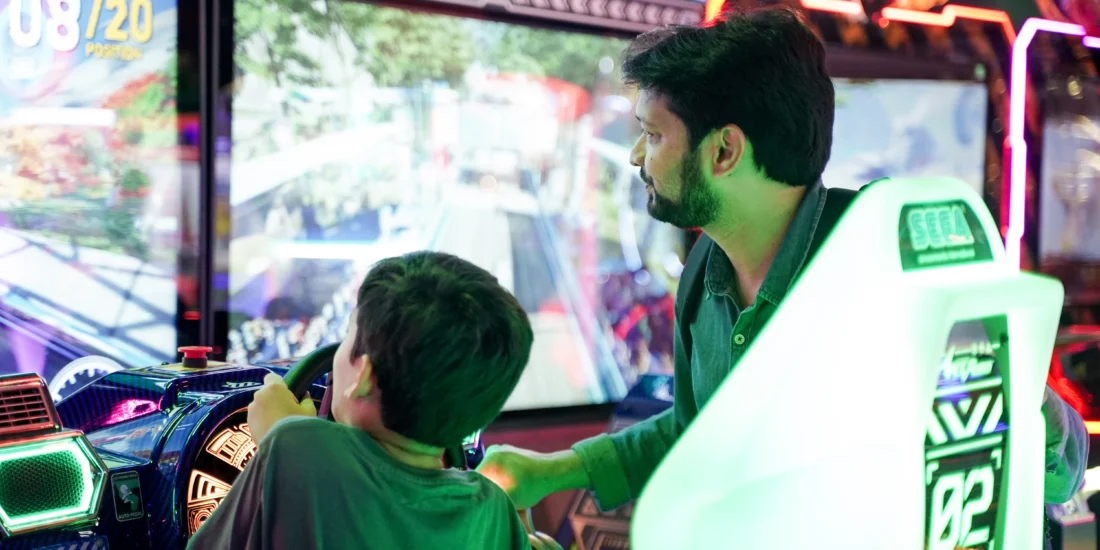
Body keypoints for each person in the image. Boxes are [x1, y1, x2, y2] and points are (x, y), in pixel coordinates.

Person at [476, 4, 1088, 534]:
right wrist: (553, 469)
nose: (637, 156)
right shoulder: (704, 277)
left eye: (652, 135)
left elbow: (1046, 467)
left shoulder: (890, 266)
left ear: (724, 151)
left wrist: (1020, 400)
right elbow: (700, 435)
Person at [188, 251, 561, 550]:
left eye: (348, 335)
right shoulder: (494, 509)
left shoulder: (296, 447)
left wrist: (277, 428)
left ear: (363, 377)